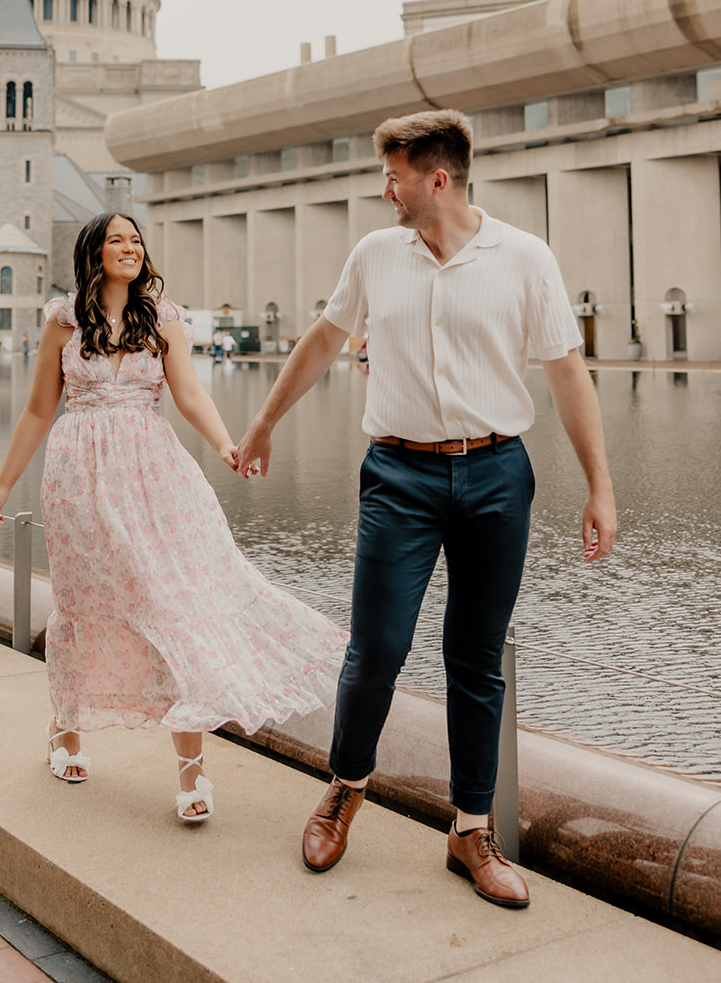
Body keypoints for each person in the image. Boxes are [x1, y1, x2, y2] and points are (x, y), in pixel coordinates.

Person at [236, 110, 616, 907]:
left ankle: (469, 831)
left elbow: (566, 374)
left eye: (394, 177)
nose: (386, 191)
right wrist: (265, 420)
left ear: (434, 178)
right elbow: (319, 341)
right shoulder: (376, 255)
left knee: (473, 660)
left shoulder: (523, 258)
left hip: (495, 475)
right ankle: (345, 787)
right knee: (374, 648)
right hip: (398, 477)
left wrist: (599, 485)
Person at [0, 212, 346, 822]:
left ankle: (191, 770)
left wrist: (229, 444)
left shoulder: (164, 318)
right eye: (116, 240)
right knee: (87, 605)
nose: (129, 247)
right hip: (80, 480)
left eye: (135, 239)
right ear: (93, 253)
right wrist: (1, 485)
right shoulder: (63, 320)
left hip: (156, 477)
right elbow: (39, 410)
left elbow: (191, 395)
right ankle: (65, 729)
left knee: (175, 607)